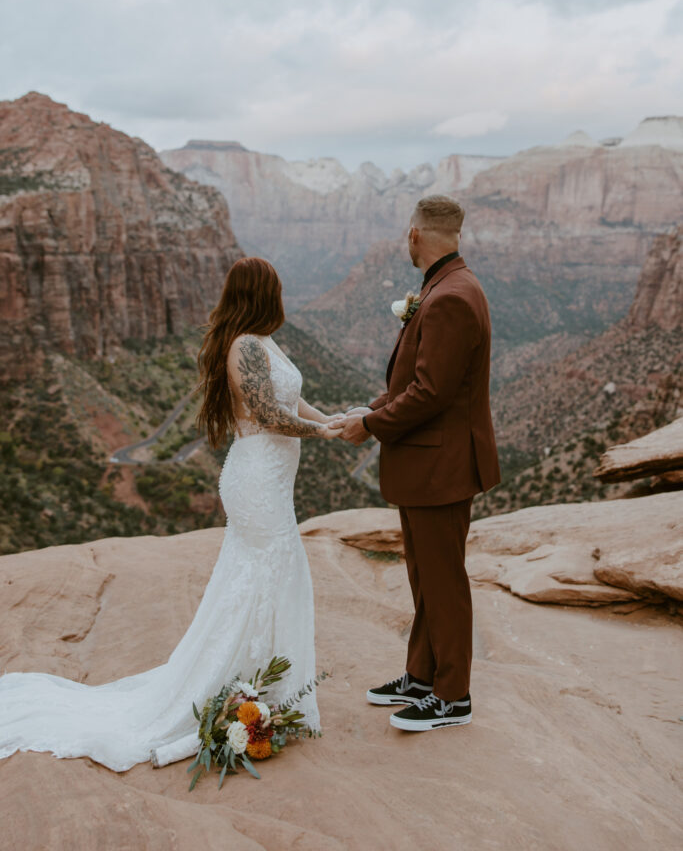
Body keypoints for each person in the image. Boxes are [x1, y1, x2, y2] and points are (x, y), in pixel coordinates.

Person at [0, 256, 339, 770]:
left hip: (272, 481)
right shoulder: (244, 345)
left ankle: (259, 690)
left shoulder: (261, 341)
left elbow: (293, 398)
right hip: (255, 481)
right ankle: (242, 694)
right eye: (277, 289)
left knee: (271, 575)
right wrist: (329, 434)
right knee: (269, 572)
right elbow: (268, 413)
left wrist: (334, 418)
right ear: (263, 293)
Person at [333, 195, 500, 732]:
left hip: (441, 465)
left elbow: (430, 393)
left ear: (414, 236)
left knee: (443, 580)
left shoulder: (450, 296)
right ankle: (422, 677)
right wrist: (373, 407)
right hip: (430, 464)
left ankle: (452, 696)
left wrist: (372, 426)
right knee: (425, 576)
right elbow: (416, 383)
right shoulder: (449, 285)